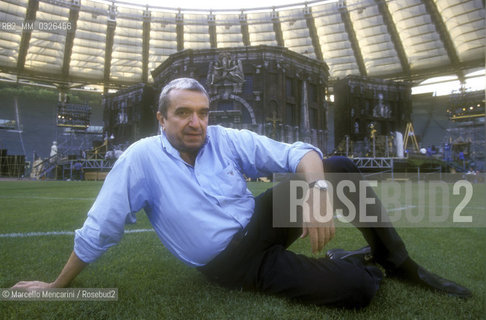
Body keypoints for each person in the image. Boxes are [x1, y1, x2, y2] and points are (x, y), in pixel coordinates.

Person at [13, 78, 471, 308]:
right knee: (358, 294)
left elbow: (300, 151)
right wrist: (56, 287)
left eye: (203, 113)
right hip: (229, 262)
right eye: (183, 113)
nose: (196, 122)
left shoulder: (223, 139)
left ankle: (400, 263)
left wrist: (314, 191)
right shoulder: (140, 159)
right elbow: (102, 227)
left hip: (257, 222)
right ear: (161, 118)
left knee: (337, 168)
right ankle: (349, 267)